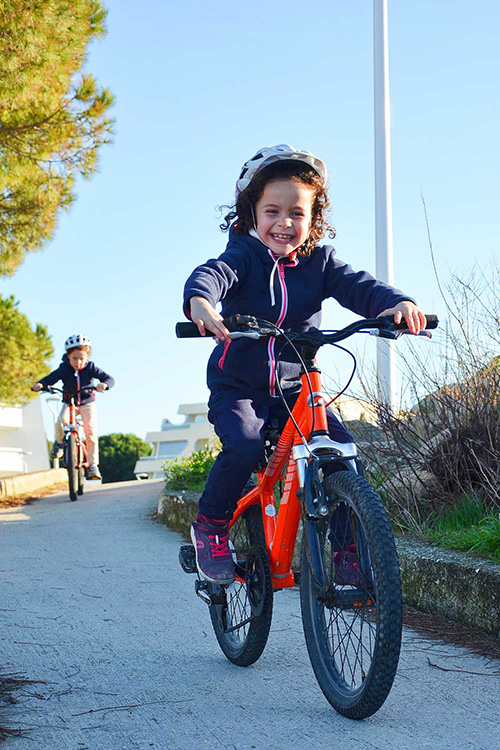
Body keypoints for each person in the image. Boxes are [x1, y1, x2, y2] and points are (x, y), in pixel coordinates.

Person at [183, 144, 426, 584]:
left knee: (342, 456)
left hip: (298, 388)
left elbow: (361, 287)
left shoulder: (321, 263)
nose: (284, 223)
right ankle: (212, 525)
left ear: (313, 218)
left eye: (297, 213)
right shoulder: (244, 255)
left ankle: (348, 549)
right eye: (272, 211)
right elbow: (212, 275)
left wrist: (398, 304)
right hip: (240, 385)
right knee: (242, 446)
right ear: (251, 212)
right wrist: (201, 302)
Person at [32, 333, 115, 480]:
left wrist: (105, 384)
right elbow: (50, 379)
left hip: (87, 403)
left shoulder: (90, 368)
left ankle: (92, 465)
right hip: (69, 402)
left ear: (87, 357)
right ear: (68, 356)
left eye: (82, 358)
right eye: (74, 358)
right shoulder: (64, 368)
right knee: (60, 422)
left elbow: (109, 378)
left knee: (91, 433)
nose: (78, 362)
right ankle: (59, 444)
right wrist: (41, 384)